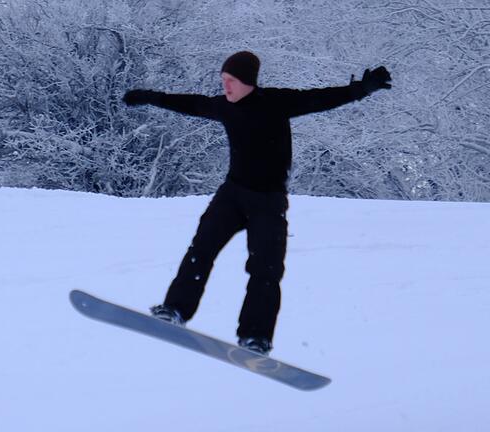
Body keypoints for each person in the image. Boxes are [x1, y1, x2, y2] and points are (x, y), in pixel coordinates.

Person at [122, 51, 392, 355]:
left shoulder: (276, 103)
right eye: (223, 80)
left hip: (269, 201)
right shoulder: (223, 106)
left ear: (248, 81)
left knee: (266, 269)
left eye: (231, 81)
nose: (225, 87)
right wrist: (148, 96)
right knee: (201, 249)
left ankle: (255, 336)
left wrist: (361, 89)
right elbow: (188, 103)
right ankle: (174, 310)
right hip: (232, 195)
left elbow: (321, 99)